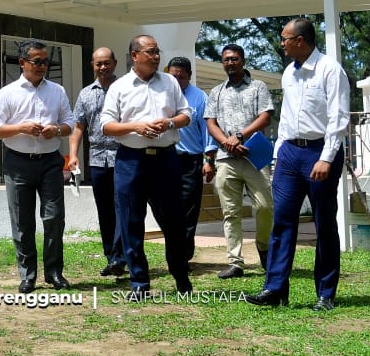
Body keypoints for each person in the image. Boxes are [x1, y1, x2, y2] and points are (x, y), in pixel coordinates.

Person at [247, 18, 350, 312]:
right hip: (290, 154)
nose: (282, 43)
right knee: (282, 221)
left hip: (319, 151)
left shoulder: (330, 70)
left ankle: (325, 294)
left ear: (300, 40)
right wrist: (279, 154)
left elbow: (339, 117)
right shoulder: (288, 73)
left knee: (324, 222)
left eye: (285, 39)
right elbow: (287, 117)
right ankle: (275, 288)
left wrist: (326, 157)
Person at [101, 35, 194, 298]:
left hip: (166, 159)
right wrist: (136, 127)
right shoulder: (119, 87)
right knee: (131, 222)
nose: (156, 57)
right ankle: (139, 283)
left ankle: (181, 278)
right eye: (150, 52)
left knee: (174, 222)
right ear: (135, 56)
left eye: (157, 52)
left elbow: (187, 114)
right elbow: (106, 125)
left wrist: (169, 123)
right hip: (131, 161)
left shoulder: (170, 82)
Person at [0, 39, 76, 293]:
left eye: (46, 61)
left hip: (50, 162)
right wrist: (21, 128)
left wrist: (56, 130)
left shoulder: (57, 91)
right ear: (22, 63)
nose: (42, 66)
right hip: (18, 163)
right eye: (37, 61)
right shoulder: (8, 93)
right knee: (22, 222)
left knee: (54, 218)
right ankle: (28, 276)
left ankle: (54, 273)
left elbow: (70, 122)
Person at [204, 43, 275, 278]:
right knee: (231, 212)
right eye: (226, 59)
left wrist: (240, 136)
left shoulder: (258, 87)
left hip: (254, 157)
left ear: (243, 61)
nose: (230, 63)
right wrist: (227, 142)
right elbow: (211, 123)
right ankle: (235, 262)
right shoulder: (216, 92)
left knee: (265, 207)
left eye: (234, 59)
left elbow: (266, 116)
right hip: (226, 159)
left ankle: (264, 248)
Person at [67, 47, 126, 276]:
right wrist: (73, 155)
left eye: (107, 63)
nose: (103, 67)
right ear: (92, 65)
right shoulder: (85, 94)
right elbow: (78, 127)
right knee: (105, 210)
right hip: (97, 160)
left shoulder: (125, 88)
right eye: (98, 63)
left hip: (123, 156)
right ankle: (111, 257)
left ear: (115, 63)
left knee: (123, 207)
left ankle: (121, 256)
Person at [165, 56, 215, 267]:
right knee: (167, 210)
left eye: (182, 77)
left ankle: (183, 257)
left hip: (190, 162)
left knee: (188, 211)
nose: (177, 81)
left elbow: (208, 131)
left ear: (190, 76)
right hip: (166, 159)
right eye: (173, 76)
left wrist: (209, 160)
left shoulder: (200, 97)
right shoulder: (161, 94)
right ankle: (173, 253)